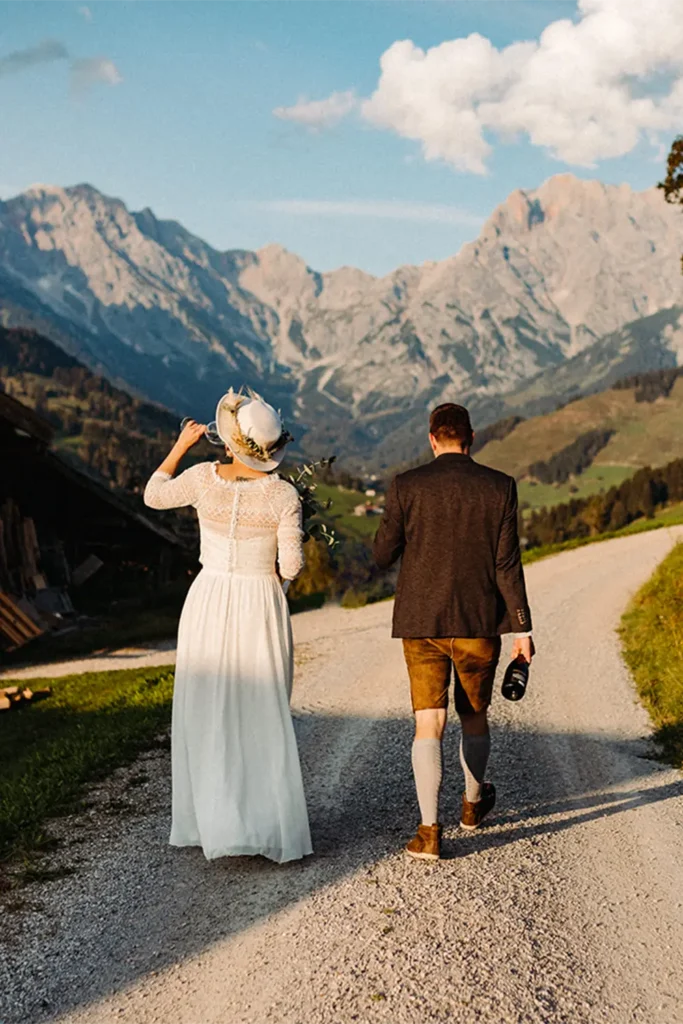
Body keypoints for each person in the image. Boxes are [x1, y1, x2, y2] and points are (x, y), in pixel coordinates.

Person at [143, 388, 312, 864]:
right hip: (259, 598)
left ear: (229, 442)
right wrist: (275, 578)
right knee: (262, 708)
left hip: (209, 597)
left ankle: (215, 821)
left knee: (208, 708)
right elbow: (293, 565)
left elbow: (154, 495)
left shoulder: (202, 479)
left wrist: (181, 445)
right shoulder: (283, 494)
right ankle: (265, 820)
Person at [373, 403, 534, 862]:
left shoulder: (407, 485)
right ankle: (471, 803)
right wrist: (523, 628)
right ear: (472, 437)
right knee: (474, 714)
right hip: (478, 621)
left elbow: (383, 554)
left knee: (429, 721)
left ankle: (428, 832)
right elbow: (508, 566)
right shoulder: (500, 487)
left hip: (421, 622)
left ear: (431, 438)